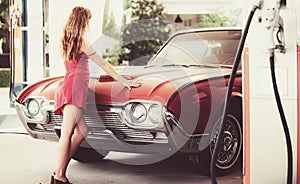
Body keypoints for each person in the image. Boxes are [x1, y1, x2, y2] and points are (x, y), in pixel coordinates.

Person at [50, 6, 140, 184]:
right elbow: (103, 63)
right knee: (67, 132)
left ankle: (58, 170)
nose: (88, 24)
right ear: (82, 21)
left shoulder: (65, 41)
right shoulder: (82, 42)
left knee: (82, 130)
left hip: (72, 86)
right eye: (88, 21)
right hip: (75, 88)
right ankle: (59, 175)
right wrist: (123, 81)